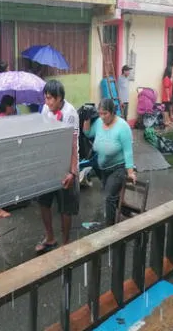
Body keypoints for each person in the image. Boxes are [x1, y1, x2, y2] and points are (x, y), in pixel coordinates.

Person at [35, 80, 80, 254]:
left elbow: (73, 143)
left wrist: (72, 172)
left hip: (66, 164)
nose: (47, 102)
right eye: (45, 98)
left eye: (50, 99)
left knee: (65, 207)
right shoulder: (46, 109)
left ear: (60, 98)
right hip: (49, 163)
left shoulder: (71, 114)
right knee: (44, 202)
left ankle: (66, 243)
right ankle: (50, 237)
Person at [83, 98, 136, 226]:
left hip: (118, 167)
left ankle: (110, 230)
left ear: (113, 112)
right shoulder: (98, 123)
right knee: (112, 194)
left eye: (105, 113)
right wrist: (87, 118)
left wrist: (130, 172)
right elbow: (88, 133)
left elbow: (128, 151)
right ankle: (126, 210)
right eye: (100, 113)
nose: (102, 116)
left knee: (108, 196)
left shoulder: (123, 127)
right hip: (103, 168)